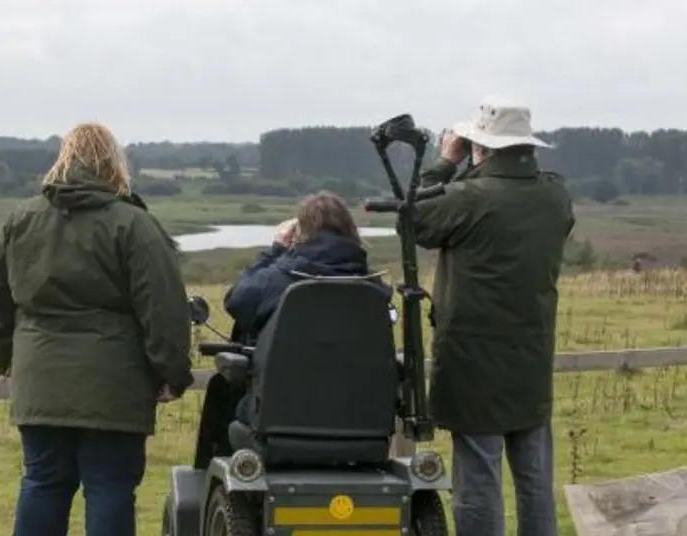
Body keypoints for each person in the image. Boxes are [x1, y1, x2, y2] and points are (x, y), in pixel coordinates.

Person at [0, 122, 194, 536]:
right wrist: (171, 373)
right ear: (114, 163)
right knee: (110, 488)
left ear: (63, 158)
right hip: (116, 383)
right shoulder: (133, 225)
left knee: (42, 483)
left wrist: (7, 355)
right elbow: (163, 308)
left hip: (38, 377)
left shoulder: (21, 220)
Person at [410, 98, 575, 536]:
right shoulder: (554, 196)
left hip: (472, 359)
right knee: (534, 476)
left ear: (480, 148)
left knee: (479, 477)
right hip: (531, 355)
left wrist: (445, 162)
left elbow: (415, 222)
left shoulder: (469, 197)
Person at [223, 191, 393, 422]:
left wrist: (276, 252)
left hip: (281, 417)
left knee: (229, 401)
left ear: (299, 233)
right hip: (357, 420)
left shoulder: (279, 279)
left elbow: (237, 302)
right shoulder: (372, 288)